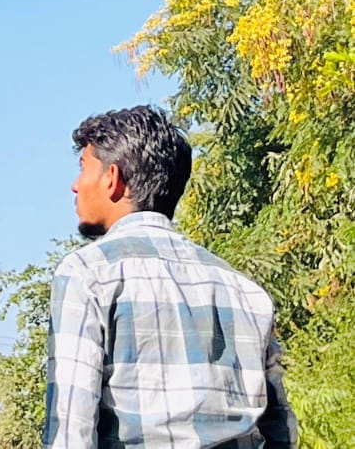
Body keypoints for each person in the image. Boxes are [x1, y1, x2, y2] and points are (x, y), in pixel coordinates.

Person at [44, 105, 298, 449]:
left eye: (83, 168)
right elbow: (280, 431)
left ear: (112, 178)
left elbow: (71, 433)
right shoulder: (247, 292)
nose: (75, 186)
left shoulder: (88, 275)